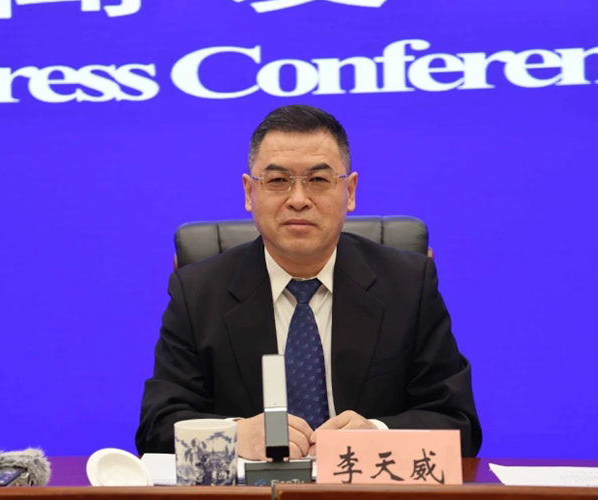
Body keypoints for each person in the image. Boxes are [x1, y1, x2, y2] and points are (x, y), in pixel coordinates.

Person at [136, 105, 482, 459]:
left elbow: (458, 425)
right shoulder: (197, 293)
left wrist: (377, 435)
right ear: (249, 193)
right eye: (277, 181)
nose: (298, 200)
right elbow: (156, 428)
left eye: (318, 180)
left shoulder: (408, 285)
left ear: (349, 191)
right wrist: (234, 436)